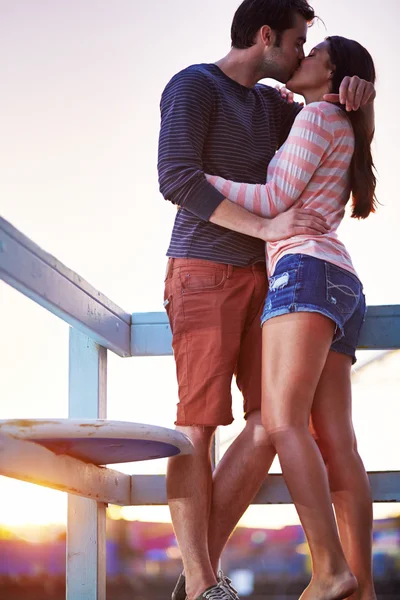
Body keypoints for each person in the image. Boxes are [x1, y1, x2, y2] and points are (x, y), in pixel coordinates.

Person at [157, 1, 375, 599]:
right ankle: (204, 581)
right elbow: (176, 178)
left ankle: (196, 572)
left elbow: (328, 126)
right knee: (198, 424)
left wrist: (360, 86)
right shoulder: (193, 85)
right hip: (206, 268)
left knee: (269, 422)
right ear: (265, 35)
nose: (304, 52)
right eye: (300, 39)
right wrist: (266, 230)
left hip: (279, 280)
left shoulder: (280, 107)